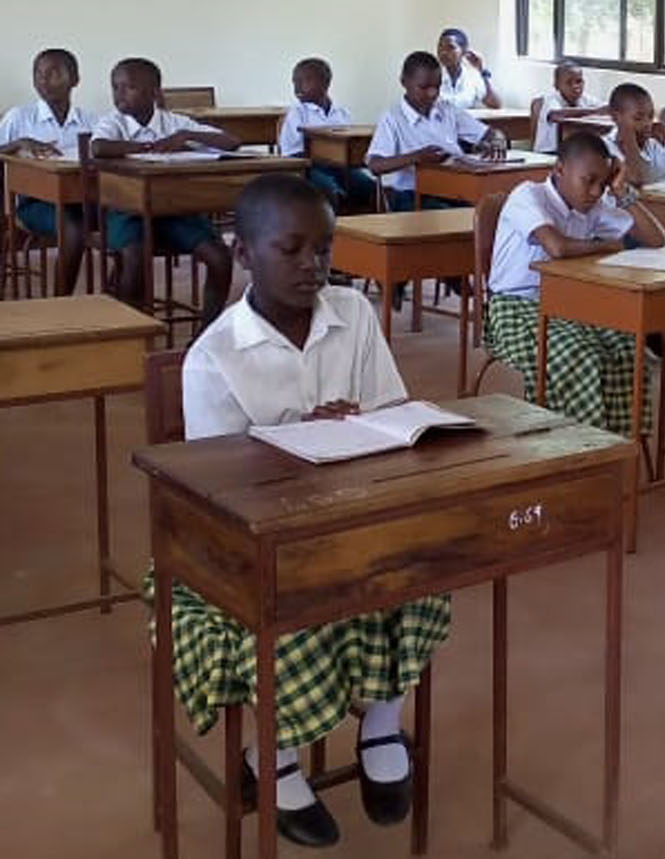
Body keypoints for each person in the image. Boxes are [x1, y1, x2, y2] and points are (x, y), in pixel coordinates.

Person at [162, 174, 448, 848]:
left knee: (419, 567)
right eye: (289, 249)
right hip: (249, 539)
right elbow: (221, 488)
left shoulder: (353, 315)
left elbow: (392, 415)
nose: (311, 266)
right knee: (296, 600)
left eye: (324, 248)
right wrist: (302, 436)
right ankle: (274, 755)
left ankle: (382, 722)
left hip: (351, 511)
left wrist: (367, 428)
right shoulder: (214, 358)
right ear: (242, 253)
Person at [484, 132, 665, 429]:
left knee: (628, 349)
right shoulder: (529, 196)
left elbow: (657, 239)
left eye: (604, 183)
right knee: (581, 356)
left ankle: (616, 443)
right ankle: (574, 445)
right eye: (589, 181)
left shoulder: (592, 207)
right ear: (559, 170)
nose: (596, 192)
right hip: (515, 307)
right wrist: (606, 245)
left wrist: (623, 193)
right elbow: (557, 248)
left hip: (571, 305)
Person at [90, 57, 237, 324]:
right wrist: (148, 147)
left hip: (173, 212)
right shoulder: (114, 122)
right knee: (134, 256)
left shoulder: (175, 123)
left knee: (220, 257)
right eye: (115, 87)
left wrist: (188, 137)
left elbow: (231, 141)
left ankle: (206, 332)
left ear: (155, 92)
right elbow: (99, 147)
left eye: (129, 87)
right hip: (127, 212)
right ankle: (130, 328)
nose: (119, 94)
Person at [0, 48, 93, 295]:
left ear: (75, 79)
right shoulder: (20, 117)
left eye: (53, 73)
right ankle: (61, 302)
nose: (44, 80)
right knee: (73, 228)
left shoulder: (89, 120)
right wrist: (18, 144)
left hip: (82, 198)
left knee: (123, 219)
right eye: (38, 74)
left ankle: (118, 295)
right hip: (34, 203)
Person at [366, 50, 506, 213]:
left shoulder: (447, 110)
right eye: (424, 87)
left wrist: (497, 141)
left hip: (454, 189)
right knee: (451, 215)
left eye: (437, 87)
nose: (432, 93)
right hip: (411, 195)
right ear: (404, 82)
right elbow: (375, 165)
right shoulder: (393, 118)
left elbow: (492, 133)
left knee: (489, 210)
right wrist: (416, 157)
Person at [278, 57, 375, 213]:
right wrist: (323, 155)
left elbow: (349, 142)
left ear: (325, 83)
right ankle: (330, 230)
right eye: (294, 81)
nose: (297, 87)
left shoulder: (341, 112)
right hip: (308, 167)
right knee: (327, 188)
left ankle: (359, 227)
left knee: (367, 186)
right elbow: (291, 153)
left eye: (305, 81)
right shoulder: (297, 113)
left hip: (341, 166)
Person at [603, 82, 665, 186]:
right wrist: (629, 138)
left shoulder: (652, 144)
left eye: (650, 116)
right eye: (638, 118)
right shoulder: (605, 148)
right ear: (615, 117)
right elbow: (636, 178)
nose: (647, 124)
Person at [532, 61, 606, 153]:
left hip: (572, 152)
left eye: (579, 81)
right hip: (548, 152)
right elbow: (556, 115)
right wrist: (594, 111)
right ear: (557, 85)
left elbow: (603, 108)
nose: (575, 86)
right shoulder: (550, 99)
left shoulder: (585, 99)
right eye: (569, 82)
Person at [434, 26, 501, 109]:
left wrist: (482, 70)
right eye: (440, 47)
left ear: (464, 51)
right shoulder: (430, 76)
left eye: (450, 47)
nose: (443, 52)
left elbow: (494, 104)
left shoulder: (472, 77)